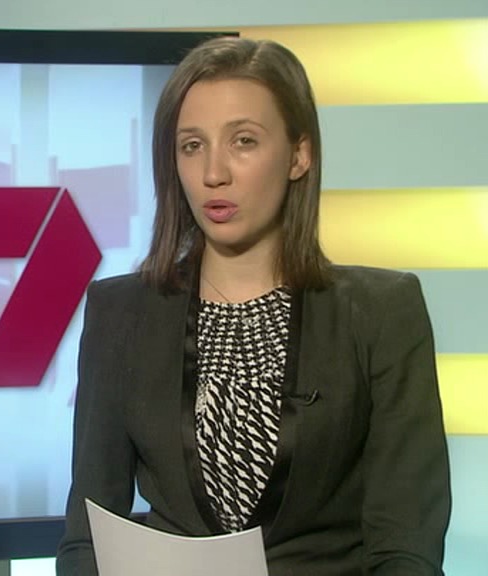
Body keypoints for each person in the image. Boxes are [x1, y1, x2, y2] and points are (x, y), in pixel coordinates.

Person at [56, 36, 451, 576]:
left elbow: (405, 546)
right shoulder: (119, 313)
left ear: (299, 155)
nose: (213, 172)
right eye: (191, 145)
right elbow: (86, 539)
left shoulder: (381, 313)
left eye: (243, 141)